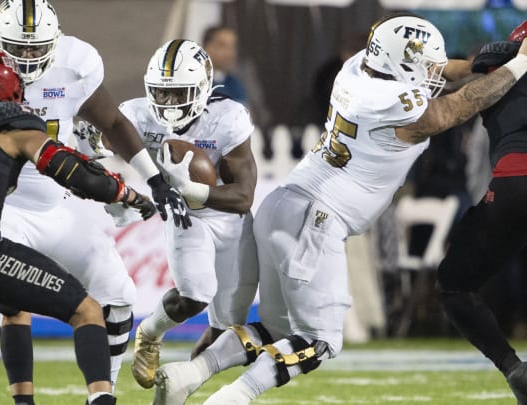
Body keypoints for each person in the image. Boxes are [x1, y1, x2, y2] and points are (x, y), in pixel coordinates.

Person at [148, 12, 527, 405]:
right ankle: (232, 399)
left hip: (285, 206)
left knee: (278, 331)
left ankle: (190, 374)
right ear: (403, 67)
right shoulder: (390, 100)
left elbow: (439, 70)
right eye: (426, 66)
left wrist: (482, 62)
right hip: (316, 219)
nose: (433, 72)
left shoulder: (358, 68)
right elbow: (454, 108)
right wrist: (518, 65)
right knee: (321, 341)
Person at [0, 1, 190, 404]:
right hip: (1, 203)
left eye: (37, 48)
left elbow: (112, 124)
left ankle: (102, 393)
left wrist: (151, 179)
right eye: (17, 49)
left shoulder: (75, 62)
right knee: (3, 298)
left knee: (119, 294)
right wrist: (127, 192)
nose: (27, 58)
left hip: (52, 205)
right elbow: (73, 169)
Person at [123, 39, 258, 392]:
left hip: (228, 215)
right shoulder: (136, 114)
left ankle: (180, 387)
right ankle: (150, 332)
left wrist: (192, 189)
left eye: (178, 92)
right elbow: (96, 144)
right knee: (195, 296)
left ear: (201, 87)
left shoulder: (227, 118)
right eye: (161, 93)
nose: (168, 103)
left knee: (227, 327)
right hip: (187, 217)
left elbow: (243, 196)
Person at [436, 20, 527, 404]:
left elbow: (443, 99)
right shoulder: (497, 62)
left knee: (454, 284)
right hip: (513, 178)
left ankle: (513, 368)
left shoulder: (498, 64)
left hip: (515, 180)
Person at [202, 26, 247, 106]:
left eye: (232, 47)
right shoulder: (193, 82)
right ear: (208, 47)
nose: (230, 53)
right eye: (223, 46)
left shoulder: (236, 83)